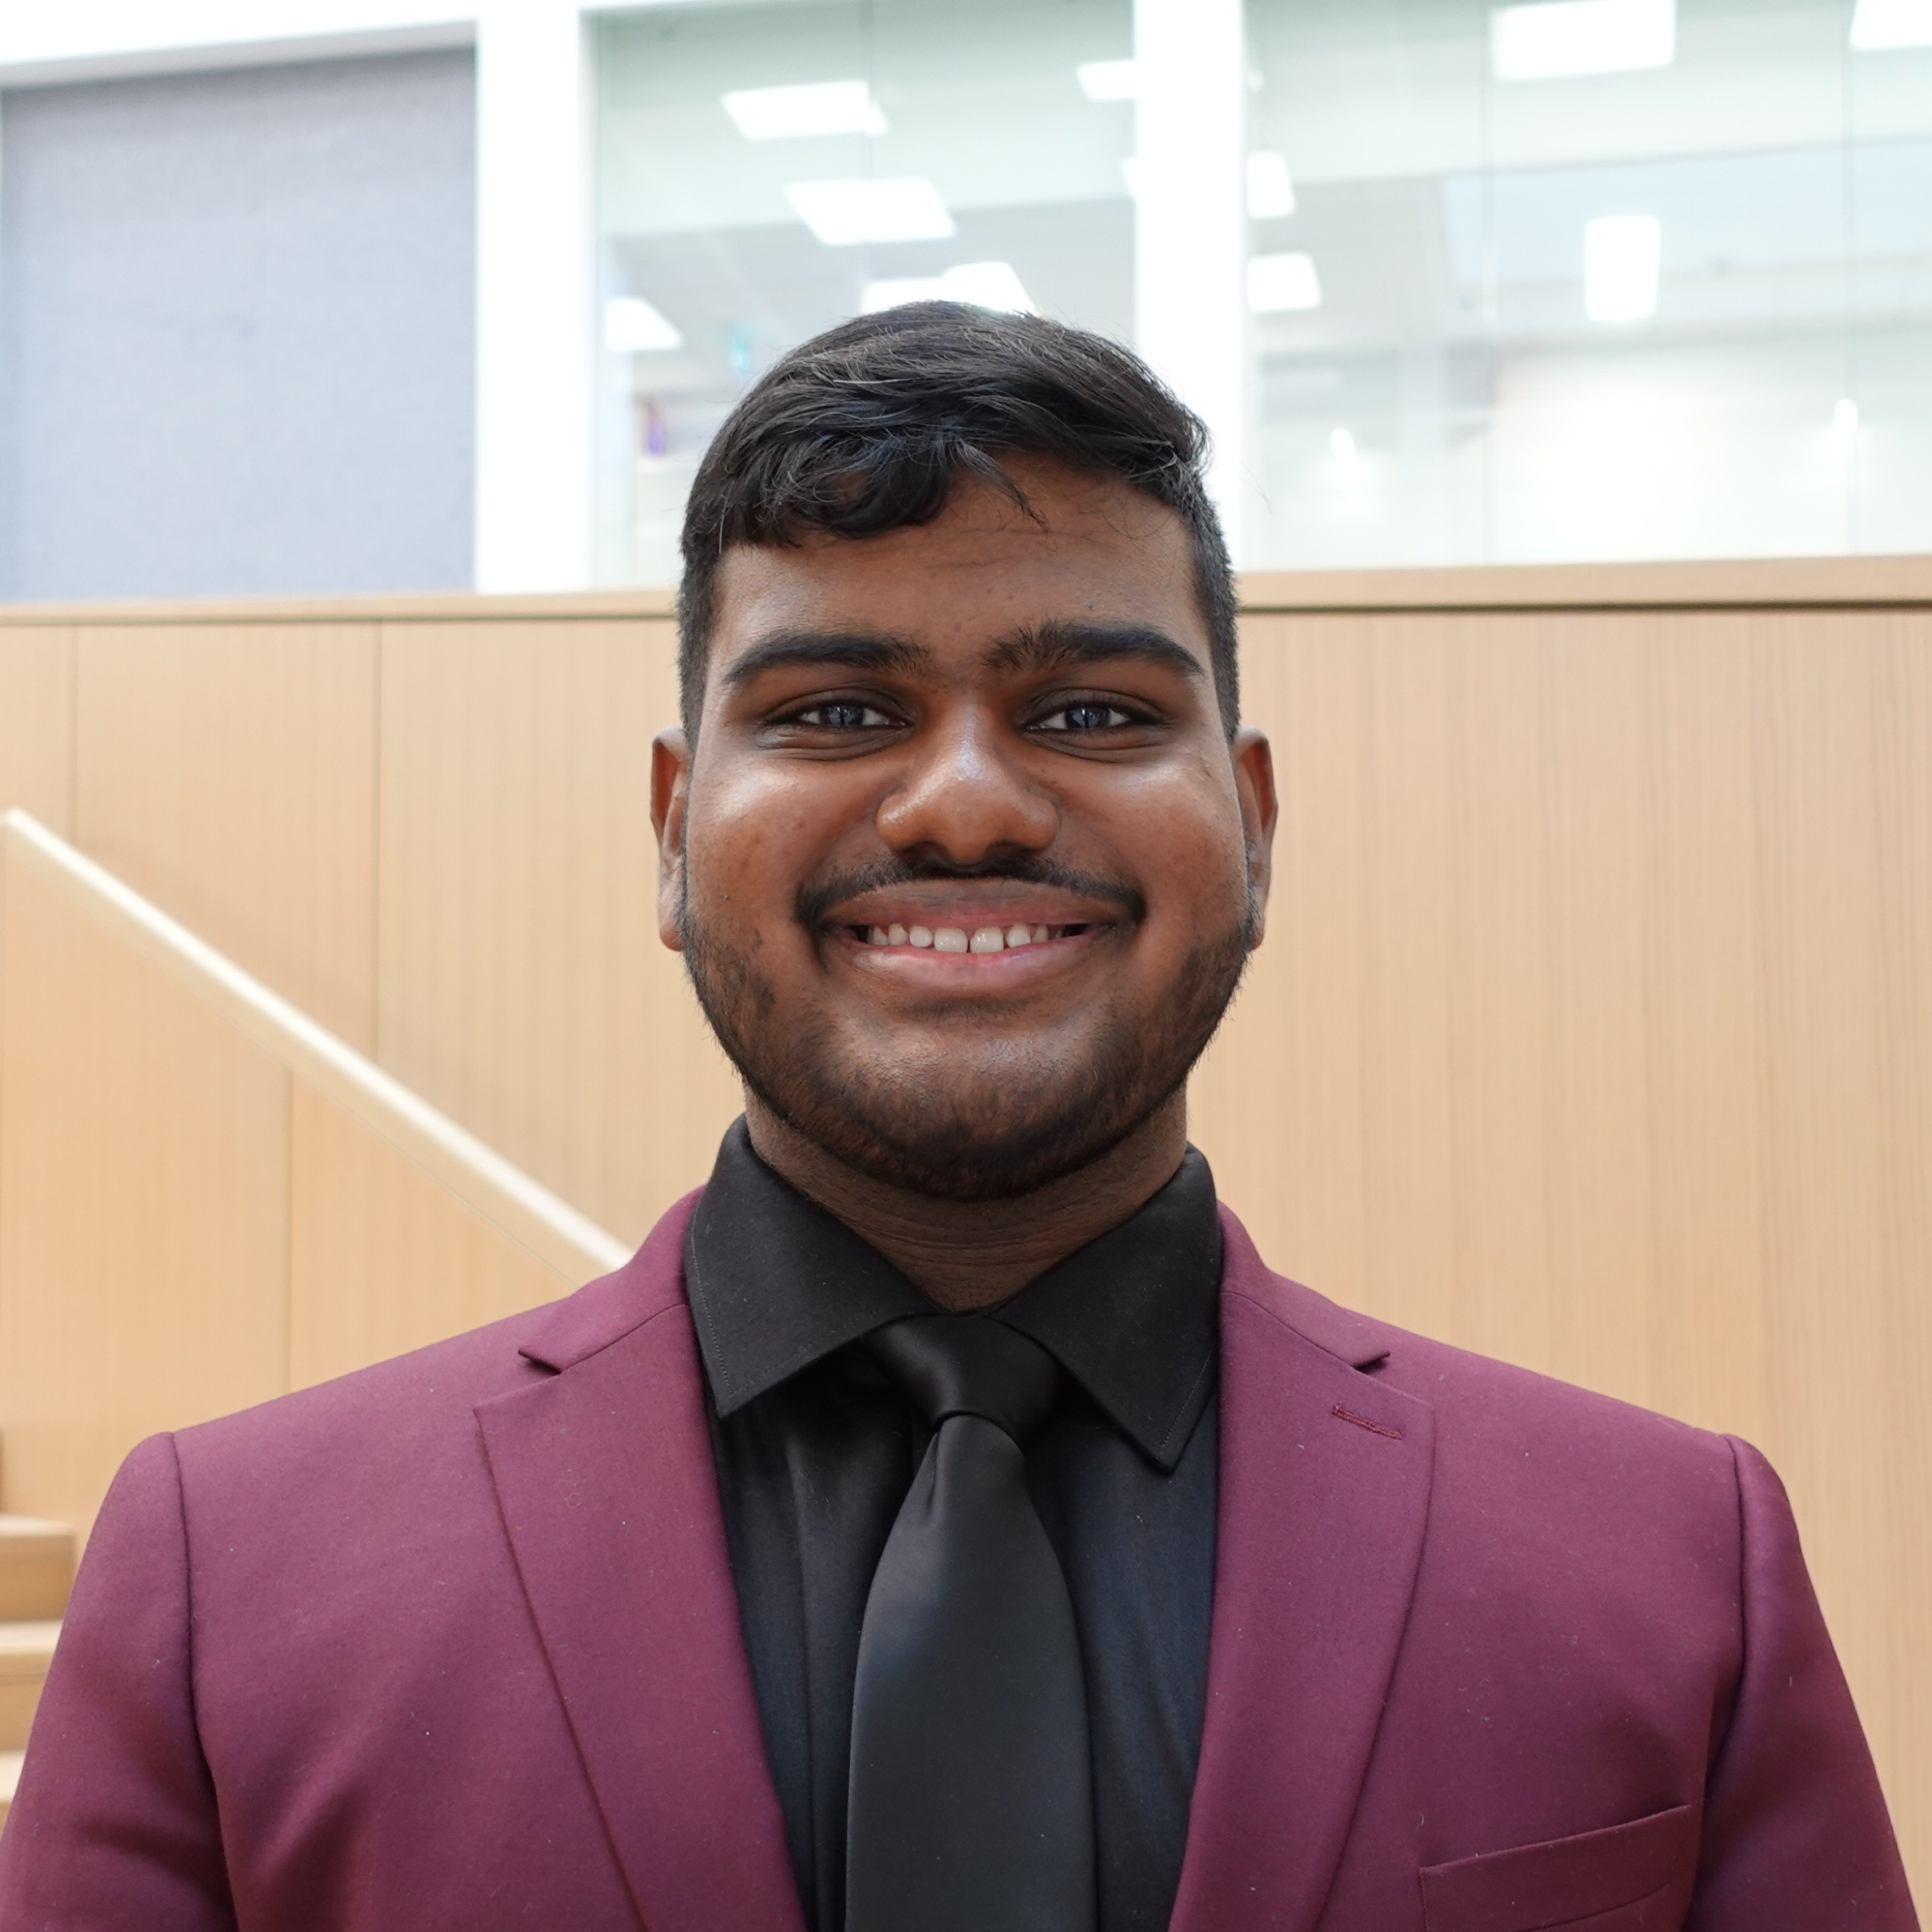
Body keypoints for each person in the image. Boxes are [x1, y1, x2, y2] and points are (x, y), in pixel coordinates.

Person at [0, 304, 1914, 1932]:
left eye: (1089, 710)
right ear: (672, 826)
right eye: (835, 710)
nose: (968, 806)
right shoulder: (222, 1572)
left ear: (1250, 816)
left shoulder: (1675, 1562)